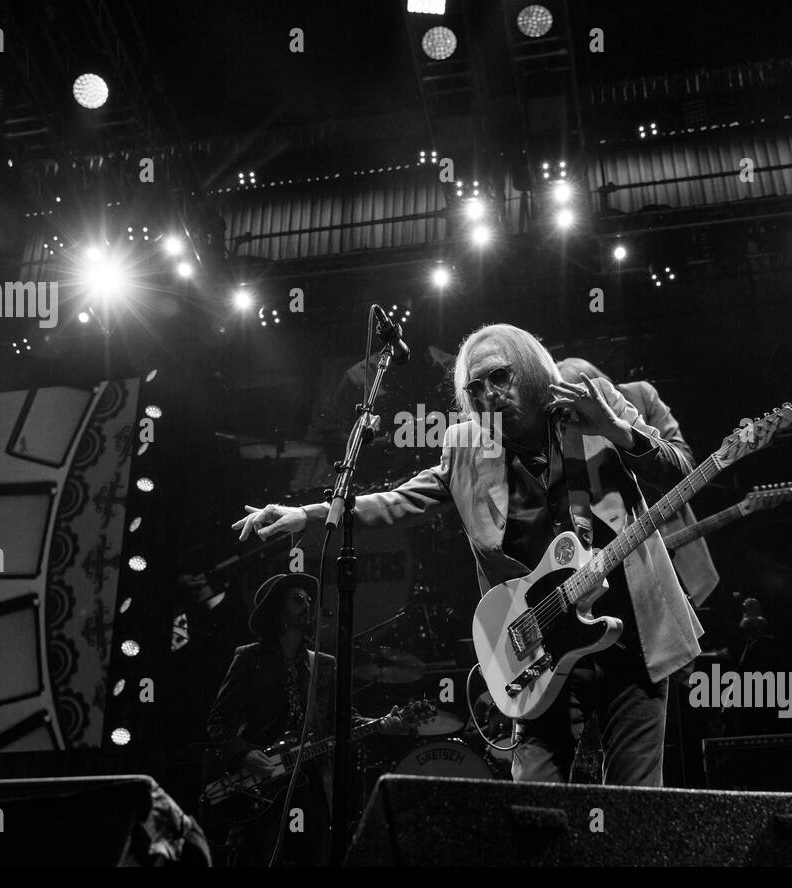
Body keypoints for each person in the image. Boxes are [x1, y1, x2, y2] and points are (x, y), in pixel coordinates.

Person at [234, 324, 703, 789]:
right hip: (538, 652)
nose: (488, 395)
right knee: (534, 811)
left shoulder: (593, 402)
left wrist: (615, 429)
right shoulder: (465, 444)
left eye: (500, 376)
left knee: (637, 807)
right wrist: (307, 515)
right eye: (474, 387)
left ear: (531, 370)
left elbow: (680, 471)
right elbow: (397, 501)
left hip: (631, 644)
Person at [202, 572, 407, 866]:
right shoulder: (248, 658)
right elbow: (218, 723)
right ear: (276, 610)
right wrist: (245, 754)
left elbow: (344, 722)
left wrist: (383, 724)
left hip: (311, 789)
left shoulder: (324, 665)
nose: (307, 605)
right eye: (298, 599)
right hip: (262, 788)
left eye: (309, 600)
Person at [556, 357, 719, 606]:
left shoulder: (639, 395)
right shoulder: (562, 425)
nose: (573, 414)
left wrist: (623, 435)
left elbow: (683, 464)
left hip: (667, 529)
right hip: (616, 560)